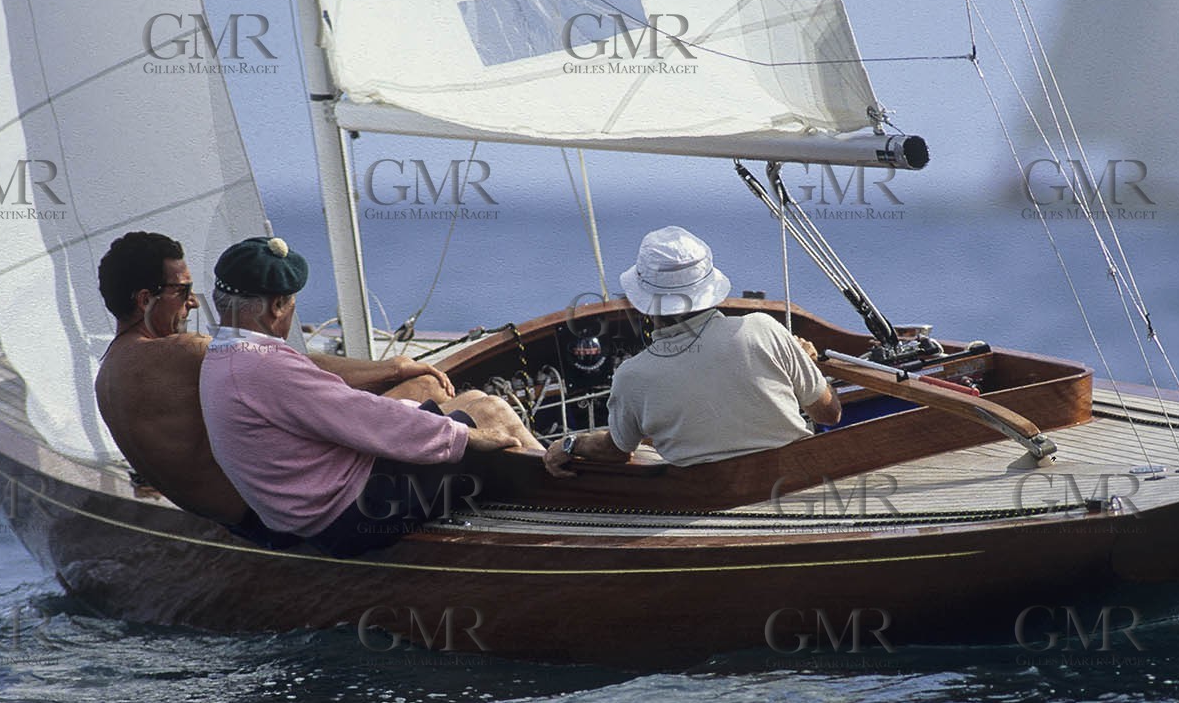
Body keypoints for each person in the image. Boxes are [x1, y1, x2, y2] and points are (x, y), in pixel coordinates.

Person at [94, 230, 460, 547]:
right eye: (183, 290)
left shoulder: (107, 375)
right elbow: (285, 369)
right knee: (425, 388)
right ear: (145, 300)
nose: (192, 301)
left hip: (225, 523)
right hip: (280, 521)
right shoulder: (183, 353)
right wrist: (395, 368)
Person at [199, 236, 535, 557]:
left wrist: (424, 411)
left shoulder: (223, 356)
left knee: (471, 398)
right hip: (352, 511)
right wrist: (467, 436)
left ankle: (544, 467)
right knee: (491, 411)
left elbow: (336, 407)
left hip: (307, 510)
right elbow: (363, 417)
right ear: (276, 307)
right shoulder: (265, 367)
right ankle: (560, 484)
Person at [544, 225, 840, 477]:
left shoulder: (631, 376)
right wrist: (806, 365)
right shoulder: (765, 329)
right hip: (795, 483)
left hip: (708, 502)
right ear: (710, 288)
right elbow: (829, 414)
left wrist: (570, 444)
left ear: (645, 302)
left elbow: (616, 451)